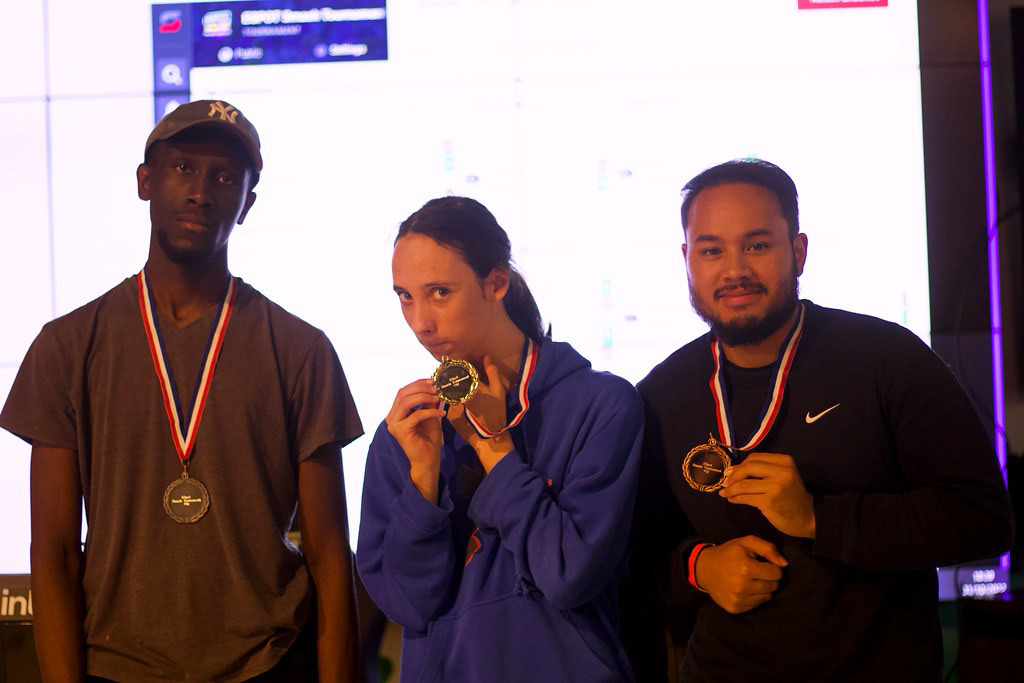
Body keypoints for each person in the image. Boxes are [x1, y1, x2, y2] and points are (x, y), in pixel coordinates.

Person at [0, 100, 363, 681]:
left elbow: (328, 552)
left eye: (225, 178)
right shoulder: (68, 346)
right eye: (183, 168)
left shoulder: (301, 350)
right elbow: (55, 552)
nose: (201, 192)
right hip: (118, 666)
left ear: (247, 204)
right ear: (145, 181)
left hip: (267, 664)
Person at [624, 159, 1014, 681]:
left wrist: (817, 519)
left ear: (799, 251)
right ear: (687, 259)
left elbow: (982, 520)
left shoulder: (886, 358)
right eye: (711, 250)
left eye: (757, 245)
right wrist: (700, 568)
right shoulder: (659, 393)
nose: (734, 270)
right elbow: (636, 556)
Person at [356, 196, 644, 681]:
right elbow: (408, 605)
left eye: (440, 292)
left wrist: (494, 447)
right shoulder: (406, 434)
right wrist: (424, 478)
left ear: (496, 283)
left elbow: (568, 575)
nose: (421, 322)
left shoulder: (602, 405)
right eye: (405, 296)